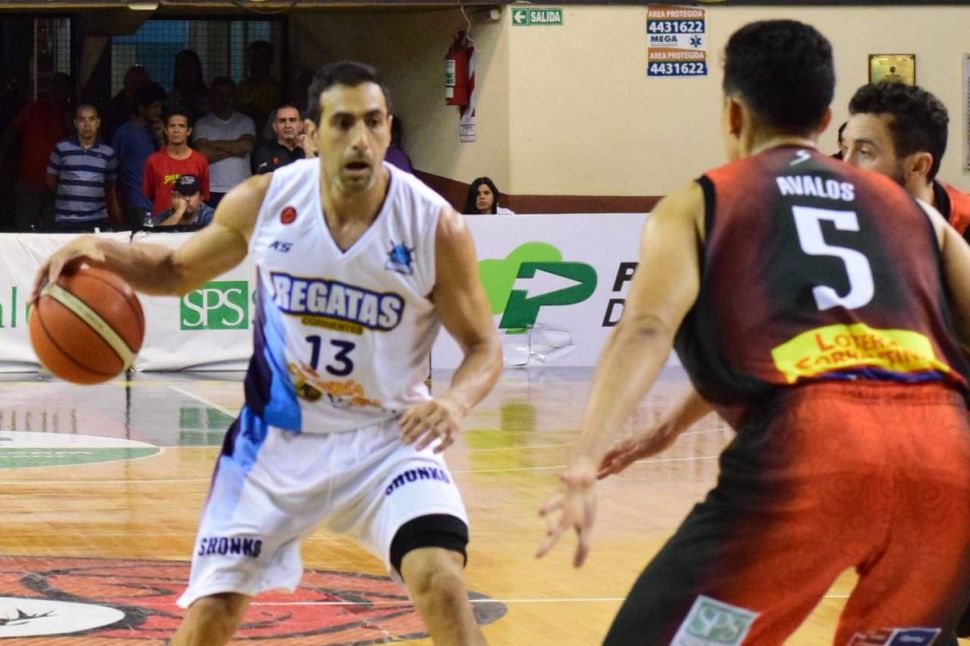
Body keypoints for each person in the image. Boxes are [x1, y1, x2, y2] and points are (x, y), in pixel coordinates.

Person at [32, 60, 501, 646]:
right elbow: (175, 271)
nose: (360, 138)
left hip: (388, 441)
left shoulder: (434, 225)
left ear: (388, 129)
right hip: (274, 443)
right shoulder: (267, 199)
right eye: (343, 123)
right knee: (213, 612)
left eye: (374, 122)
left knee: (441, 582)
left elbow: (483, 346)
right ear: (311, 134)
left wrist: (455, 402)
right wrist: (99, 248)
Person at [537, 19, 970, 643]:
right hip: (944, 453)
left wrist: (583, 459)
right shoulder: (916, 214)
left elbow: (647, 328)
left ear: (734, 114)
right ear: (825, 119)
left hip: (811, 449)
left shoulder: (702, 201)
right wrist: (667, 429)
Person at [843, 82, 970, 242]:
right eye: (845, 148)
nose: (844, 166)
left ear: (918, 166)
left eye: (864, 152)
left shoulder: (964, 225)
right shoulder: (834, 217)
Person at [0, 72, 72, 231]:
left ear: (68, 92)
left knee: (53, 230)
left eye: (62, 87)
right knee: (25, 228)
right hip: (29, 180)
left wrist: (69, 123)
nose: (57, 91)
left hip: (57, 183)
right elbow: (11, 131)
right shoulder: (34, 109)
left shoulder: (71, 116)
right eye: (55, 86)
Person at [45, 104, 119, 231]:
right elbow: (50, 180)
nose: (87, 124)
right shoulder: (61, 148)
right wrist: (68, 194)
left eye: (91, 119)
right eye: (82, 119)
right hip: (66, 219)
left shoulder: (108, 153)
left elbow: (109, 185)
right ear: (75, 123)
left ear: (98, 122)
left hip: (97, 219)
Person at [192, 77, 256, 208]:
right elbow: (203, 154)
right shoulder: (202, 124)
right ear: (212, 97)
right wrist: (236, 148)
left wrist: (212, 144)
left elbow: (247, 146)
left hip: (242, 188)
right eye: (219, 95)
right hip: (211, 189)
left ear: (235, 97)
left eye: (228, 95)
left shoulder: (246, 121)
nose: (224, 99)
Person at [112, 80, 166, 229]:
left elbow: (167, 164)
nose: (159, 112)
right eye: (155, 107)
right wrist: (115, 203)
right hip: (136, 203)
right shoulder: (124, 133)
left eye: (160, 107)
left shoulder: (157, 132)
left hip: (159, 202)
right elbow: (112, 171)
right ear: (142, 108)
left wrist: (160, 138)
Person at [142, 106, 209, 217]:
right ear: (165, 130)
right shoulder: (152, 160)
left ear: (189, 131)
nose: (176, 130)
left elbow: (203, 196)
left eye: (181, 126)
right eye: (172, 126)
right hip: (161, 222)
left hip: (191, 222)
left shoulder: (200, 160)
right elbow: (149, 195)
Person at [236, 40, 283, 137]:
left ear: (269, 61)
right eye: (252, 60)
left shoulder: (274, 89)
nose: (255, 64)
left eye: (260, 60)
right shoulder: (241, 86)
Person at [102, 64, 149, 144]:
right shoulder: (114, 107)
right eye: (134, 81)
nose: (137, 86)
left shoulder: (149, 105)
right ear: (126, 82)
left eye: (141, 82)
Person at [253, 104, 306, 174]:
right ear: (275, 126)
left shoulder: (309, 150)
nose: (287, 125)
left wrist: (307, 151)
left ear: (300, 126)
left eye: (292, 120)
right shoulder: (265, 152)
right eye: (282, 121)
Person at [169, 49, 209, 123]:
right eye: (181, 67)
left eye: (189, 67)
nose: (185, 71)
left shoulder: (208, 98)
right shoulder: (171, 99)